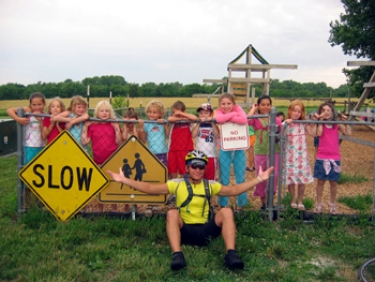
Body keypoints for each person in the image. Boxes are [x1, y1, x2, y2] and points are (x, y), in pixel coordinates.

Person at [107, 150, 274, 271]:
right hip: (185, 231)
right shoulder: (177, 183)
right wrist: (125, 180)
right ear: (187, 168)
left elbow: (234, 190)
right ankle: (177, 255)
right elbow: (151, 188)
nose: (198, 170)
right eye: (194, 166)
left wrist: (259, 179)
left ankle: (231, 254)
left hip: (206, 230)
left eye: (201, 167)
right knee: (172, 212)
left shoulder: (210, 185)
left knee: (227, 211)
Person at [311, 102, 352, 215]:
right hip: (322, 157)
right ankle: (318, 203)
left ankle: (332, 203)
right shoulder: (321, 124)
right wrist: (320, 120)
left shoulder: (336, 124)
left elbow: (348, 133)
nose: (326, 112)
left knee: (334, 182)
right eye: (323, 110)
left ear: (332, 112)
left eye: (328, 110)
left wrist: (345, 122)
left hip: (334, 158)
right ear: (320, 113)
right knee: (320, 181)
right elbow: (318, 133)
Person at [247, 95, 282, 210]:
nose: (266, 107)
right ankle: (263, 203)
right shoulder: (256, 118)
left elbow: (281, 132)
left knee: (274, 175)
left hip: (274, 151)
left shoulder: (275, 119)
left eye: (268, 104)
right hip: (260, 151)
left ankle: (270, 201)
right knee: (261, 176)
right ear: (258, 106)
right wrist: (253, 108)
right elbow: (246, 120)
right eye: (263, 105)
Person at [215, 93, 248, 211]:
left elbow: (244, 119)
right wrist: (234, 116)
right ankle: (223, 204)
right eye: (223, 103)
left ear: (233, 104)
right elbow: (219, 119)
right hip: (225, 147)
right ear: (219, 104)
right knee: (224, 178)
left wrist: (230, 115)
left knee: (240, 177)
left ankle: (242, 204)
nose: (226, 106)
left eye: (229, 103)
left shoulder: (238, 109)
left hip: (239, 146)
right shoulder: (218, 111)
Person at [283, 100, 315, 210]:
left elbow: (313, 133)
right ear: (290, 111)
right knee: (291, 180)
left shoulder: (303, 123)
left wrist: (314, 122)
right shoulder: (286, 123)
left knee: (302, 180)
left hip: (302, 157)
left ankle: (300, 200)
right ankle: (292, 200)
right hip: (290, 156)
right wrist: (285, 124)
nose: (296, 113)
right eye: (294, 111)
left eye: (299, 111)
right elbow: (281, 136)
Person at [7, 92, 46, 163]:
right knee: (28, 165)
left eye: (39, 104)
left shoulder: (45, 115)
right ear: (30, 105)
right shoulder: (28, 111)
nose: (37, 107)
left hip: (41, 146)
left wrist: (41, 121)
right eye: (34, 105)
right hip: (28, 146)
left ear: (44, 104)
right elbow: (9, 110)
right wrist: (18, 119)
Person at [81, 101, 122, 165]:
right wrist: (85, 126)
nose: (104, 113)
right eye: (101, 111)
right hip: (97, 161)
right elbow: (84, 142)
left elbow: (119, 142)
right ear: (97, 112)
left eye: (107, 111)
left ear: (110, 112)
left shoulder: (113, 124)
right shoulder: (93, 125)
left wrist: (117, 128)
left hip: (112, 159)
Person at [167, 101, 197, 178]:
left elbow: (194, 118)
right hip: (173, 149)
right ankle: (173, 185)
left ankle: (185, 186)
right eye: (174, 112)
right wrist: (178, 117)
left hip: (185, 149)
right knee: (172, 171)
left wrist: (182, 114)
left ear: (184, 111)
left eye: (178, 112)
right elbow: (169, 119)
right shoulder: (173, 120)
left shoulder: (188, 120)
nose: (176, 114)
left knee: (184, 171)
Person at [192, 103, 220, 180]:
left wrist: (212, 123)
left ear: (211, 114)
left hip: (211, 155)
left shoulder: (214, 124)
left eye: (206, 113)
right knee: (199, 177)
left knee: (210, 178)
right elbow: (193, 135)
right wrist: (198, 123)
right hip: (199, 156)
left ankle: (210, 191)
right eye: (201, 113)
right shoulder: (197, 124)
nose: (203, 115)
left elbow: (217, 135)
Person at [143, 100, 170, 166]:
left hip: (162, 152)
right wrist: (141, 127)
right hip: (151, 152)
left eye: (154, 112)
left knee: (162, 168)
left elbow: (168, 134)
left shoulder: (162, 123)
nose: (151, 114)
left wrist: (165, 124)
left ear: (160, 114)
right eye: (149, 112)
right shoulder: (147, 124)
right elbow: (144, 139)